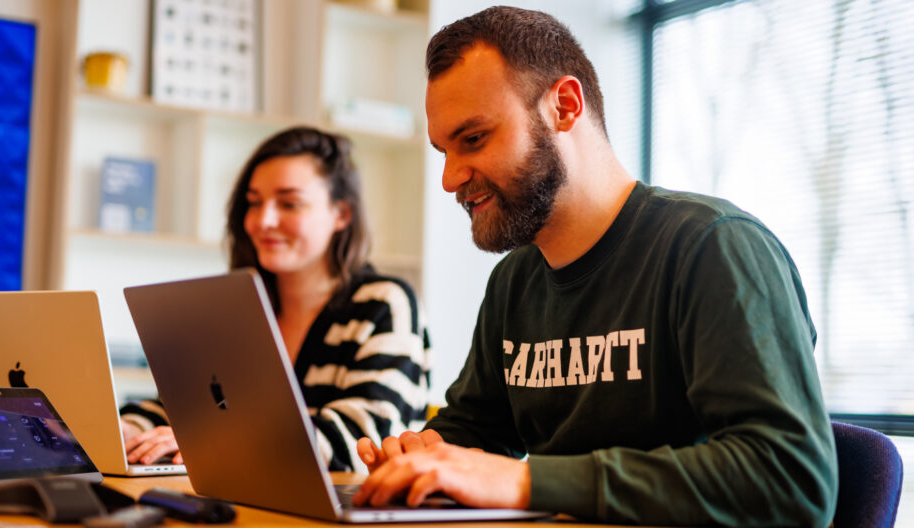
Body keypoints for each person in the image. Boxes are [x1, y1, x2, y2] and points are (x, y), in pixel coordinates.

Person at [351, 6, 837, 527]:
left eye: (473, 139)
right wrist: (427, 457)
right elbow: (479, 428)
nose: (450, 179)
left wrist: (523, 481)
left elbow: (790, 478)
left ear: (564, 106)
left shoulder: (713, 248)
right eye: (443, 150)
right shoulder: (515, 282)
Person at [120, 126, 431, 472]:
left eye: (289, 203)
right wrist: (129, 429)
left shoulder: (386, 303)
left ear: (342, 214)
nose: (263, 220)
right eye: (254, 203)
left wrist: (216, 437)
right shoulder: (238, 311)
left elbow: (362, 440)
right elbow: (185, 408)